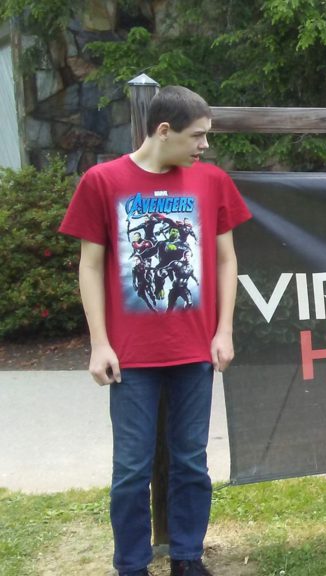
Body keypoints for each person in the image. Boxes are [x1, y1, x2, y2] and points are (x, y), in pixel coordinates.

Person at [59, 86, 252, 576]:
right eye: (197, 136)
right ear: (163, 131)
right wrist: (99, 343)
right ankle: (132, 566)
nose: (204, 146)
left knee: (191, 462)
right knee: (130, 471)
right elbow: (90, 266)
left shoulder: (211, 182)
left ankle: (187, 559)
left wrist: (223, 330)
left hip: (195, 351)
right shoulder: (102, 181)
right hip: (130, 356)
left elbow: (227, 260)